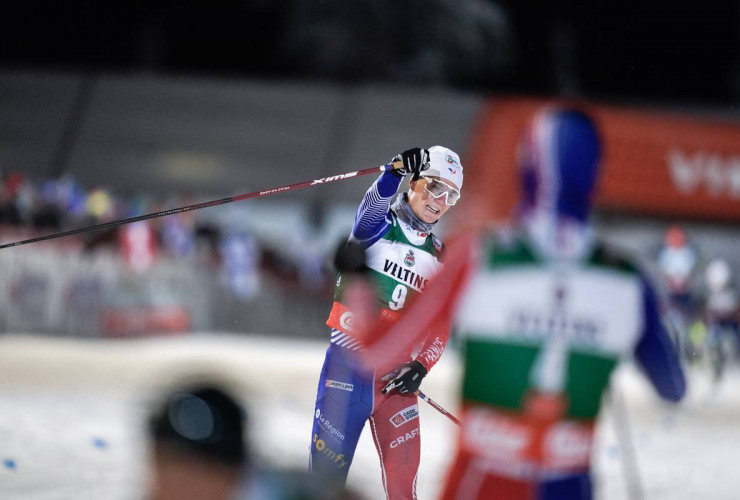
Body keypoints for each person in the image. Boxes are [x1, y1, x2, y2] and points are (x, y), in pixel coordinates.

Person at [353, 107, 687, 500]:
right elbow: (673, 387)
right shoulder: (627, 279)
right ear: (595, 178)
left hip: (483, 481)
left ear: (526, 172)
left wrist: (357, 282)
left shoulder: (476, 256)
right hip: (569, 484)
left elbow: (374, 350)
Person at [309, 146, 464, 498]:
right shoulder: (378, 228)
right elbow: (371, 207)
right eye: (436, 187)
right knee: (323, 483)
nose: (441, 200)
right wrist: (393, 172)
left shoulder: (440, 256)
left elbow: (440, 327)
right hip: (348, 371)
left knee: (404, 486)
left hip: (396, 384)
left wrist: (421, 367)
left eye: (451, 195)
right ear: (415, 182)